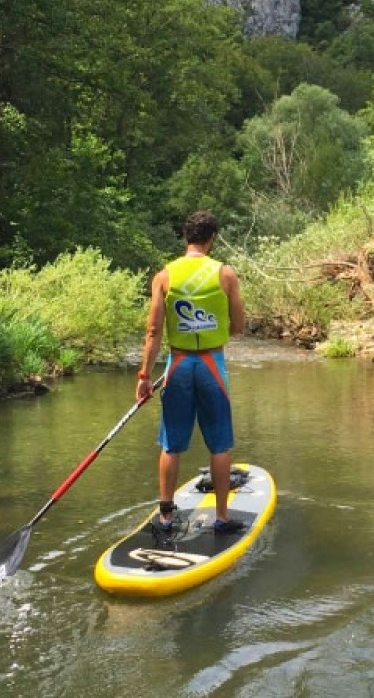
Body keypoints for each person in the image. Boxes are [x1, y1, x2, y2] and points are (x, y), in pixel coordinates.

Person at [135, 210, 247, 540]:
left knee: (171, 445)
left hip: (178, 366)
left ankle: (166, 517)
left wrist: (144, 376)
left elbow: (154, 331)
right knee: (220, 444)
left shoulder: (164, 276)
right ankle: (222, 517)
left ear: (185, 238)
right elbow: (239, 327)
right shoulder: (225, 274)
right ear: (212, 238)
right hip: (212, 365)